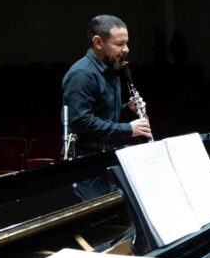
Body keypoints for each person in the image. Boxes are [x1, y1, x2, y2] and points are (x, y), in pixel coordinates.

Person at [62, 14, 152, 156]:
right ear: (98, 42)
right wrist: (128, 129)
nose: (126, 49)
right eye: (120, 44)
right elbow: (81, 121)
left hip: (107, 153)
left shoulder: (111, 70)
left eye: (126, 43)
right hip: (86, 158)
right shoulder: (82, 74)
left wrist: (128, 110)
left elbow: (107, 117)